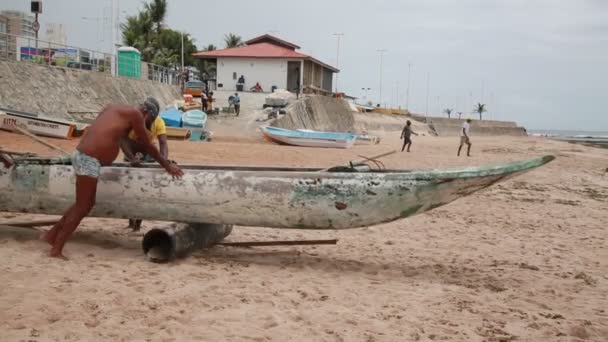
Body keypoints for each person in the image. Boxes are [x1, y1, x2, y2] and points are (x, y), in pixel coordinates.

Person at [41, 98, 183, 259]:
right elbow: (147, 145)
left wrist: (126, 156)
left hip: (84, 156)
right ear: (146, 112)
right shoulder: (136, 114)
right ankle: (56, 249)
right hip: (89, 159)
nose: (144, 125)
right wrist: (166, 165)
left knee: (81, 204)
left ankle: (51, 236)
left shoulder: (113, 108)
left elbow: (106, 133)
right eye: (147, 121)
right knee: (83, 207)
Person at [119, 98, 171, 230]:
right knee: (129, 187)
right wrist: (132, 158)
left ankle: (138, 225)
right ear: (146, 113)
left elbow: (163, 143)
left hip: (147, 151)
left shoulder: (159, 123)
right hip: (130, 151)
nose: (151, 122)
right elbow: (123, 139)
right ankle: (130, 223)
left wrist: (164, 161)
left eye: (153, 120)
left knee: (143, 188)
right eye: (149, 119)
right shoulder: (133, 119)